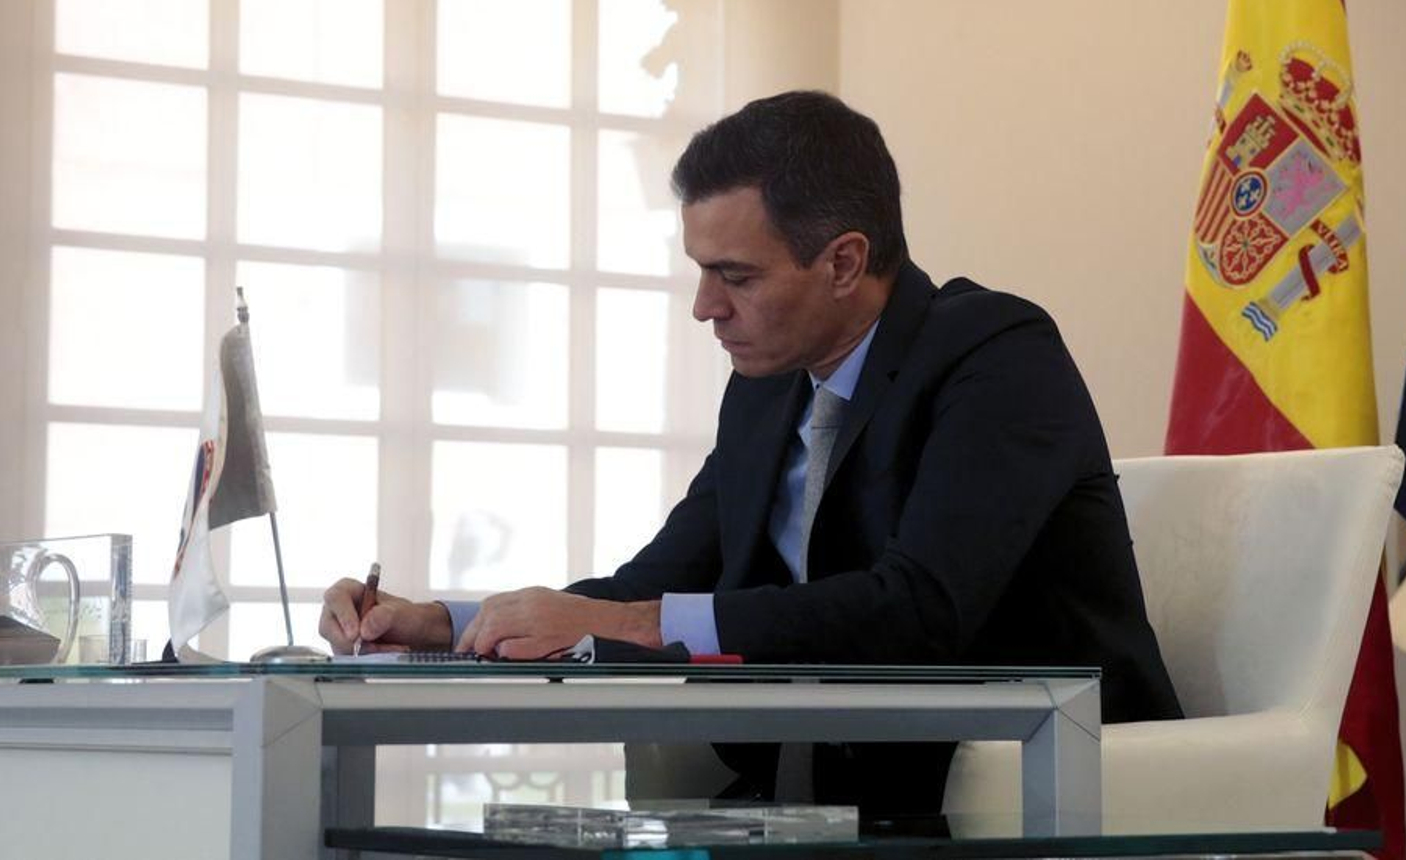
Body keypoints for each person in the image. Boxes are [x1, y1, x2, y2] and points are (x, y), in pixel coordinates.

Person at [320, 90, 1181, 812]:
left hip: (1031, 782)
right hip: (830, 788)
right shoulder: (769, 387)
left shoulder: (998, 355)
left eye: (736, 276)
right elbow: (656, 585)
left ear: (845, 261)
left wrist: (627, 624)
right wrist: (450, 623)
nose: (705, 308)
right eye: (701, 272)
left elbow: (919, 610)